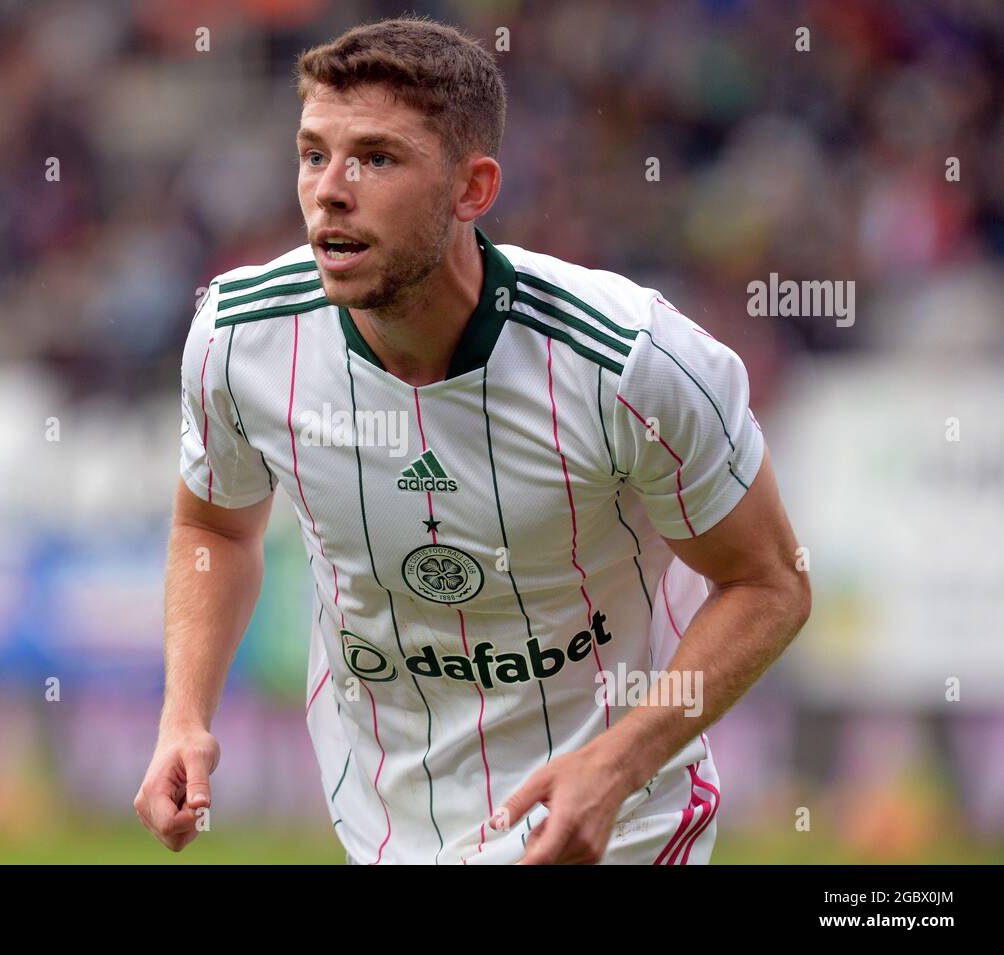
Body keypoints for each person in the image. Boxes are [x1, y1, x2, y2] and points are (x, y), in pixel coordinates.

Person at [134, 15, 810, 865]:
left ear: (473, 189)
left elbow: (770, 582)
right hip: (385, 828)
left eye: (376, 158)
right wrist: (184, 717)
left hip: (617, 823)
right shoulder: (239, 338)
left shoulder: (631, 362)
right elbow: (214, 527)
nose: (330, 190)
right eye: (313, 154)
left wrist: (617, 763)